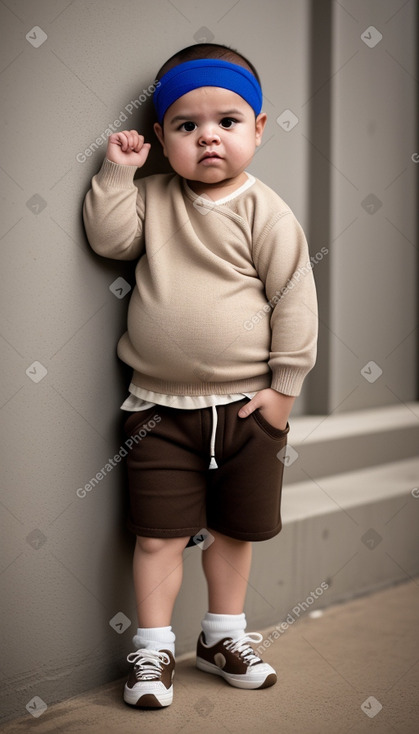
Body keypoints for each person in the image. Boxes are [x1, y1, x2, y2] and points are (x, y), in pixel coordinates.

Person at [83, 42, 318, 709]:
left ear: (259, 129)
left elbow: (295, 300)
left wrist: (282, 390)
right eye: (186, 126)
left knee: (234, 531)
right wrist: (116, 173)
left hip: (246, 410)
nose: (207, 137)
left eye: (227, 121)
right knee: (156, 535)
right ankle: (153, 647)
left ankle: (222, 636)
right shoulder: (155, 198)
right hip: (157, 409)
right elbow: (109, 239)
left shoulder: (265, 211)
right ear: (160, 138)